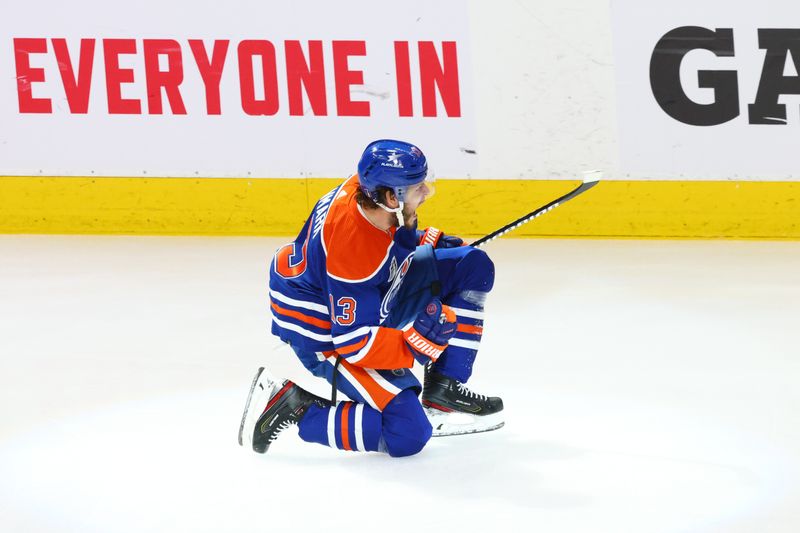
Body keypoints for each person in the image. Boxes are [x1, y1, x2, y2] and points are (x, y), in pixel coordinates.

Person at [238, 139, 503, 457]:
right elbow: (354, 342)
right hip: (325, 336)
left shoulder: (366, 192)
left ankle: (443, 389)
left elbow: (380, 246)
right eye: (418, 187)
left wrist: (417, 239)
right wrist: (414, 346)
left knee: (470, 265)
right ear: (392, 197)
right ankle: (296, 407)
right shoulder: (354, 256)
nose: (427, 192)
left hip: (355, 296)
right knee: (409, 433)